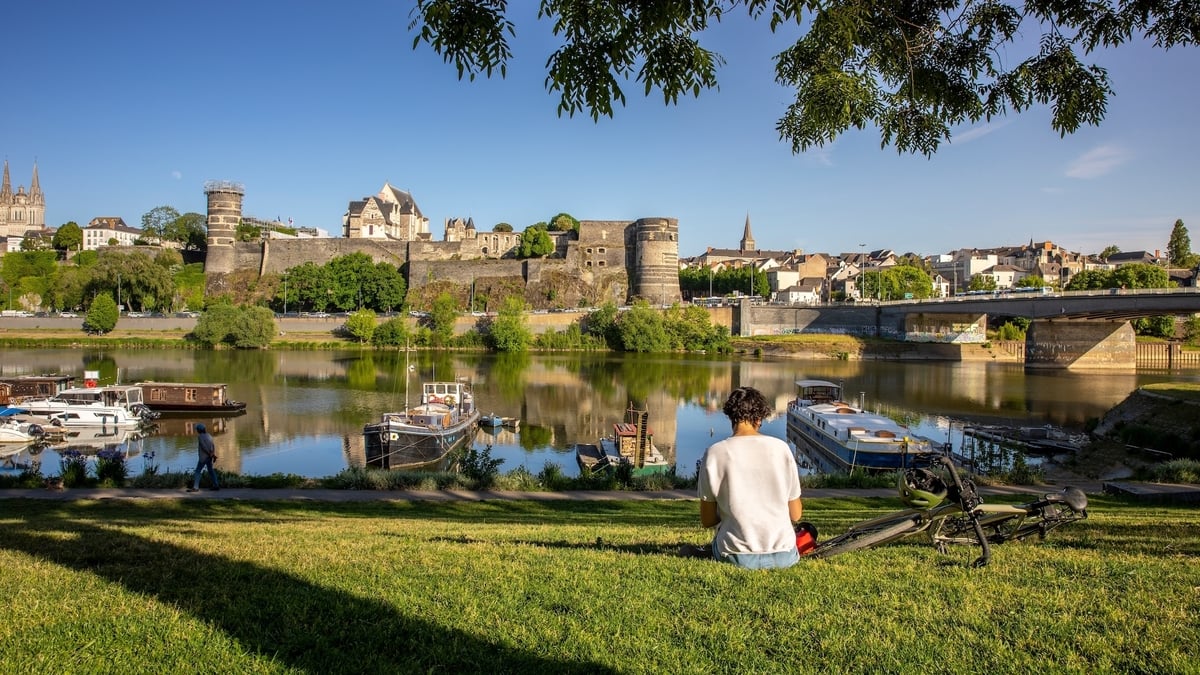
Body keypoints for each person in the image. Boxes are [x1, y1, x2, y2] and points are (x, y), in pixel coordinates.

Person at [695, 386, 803, 569]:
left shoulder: (715, 453)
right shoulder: (781, 449)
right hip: (784, 555)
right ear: (759, 418)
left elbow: (707, 520)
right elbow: (796, 514)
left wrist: (731, 511)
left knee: (696, 549)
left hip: (737, 556)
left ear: (730, 416)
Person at [187, 423, 220, 492]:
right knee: (211, 471)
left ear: (199, 430)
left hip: (203, 457)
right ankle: (216, 485)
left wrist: (209, 454)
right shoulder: (209, 435)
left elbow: (203, 446)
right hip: (209, 457)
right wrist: (212, 454)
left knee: (197, 471)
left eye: (197, 429)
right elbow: (213, 446)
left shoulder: (200, 436)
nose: (197, 430)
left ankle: (195, 488)